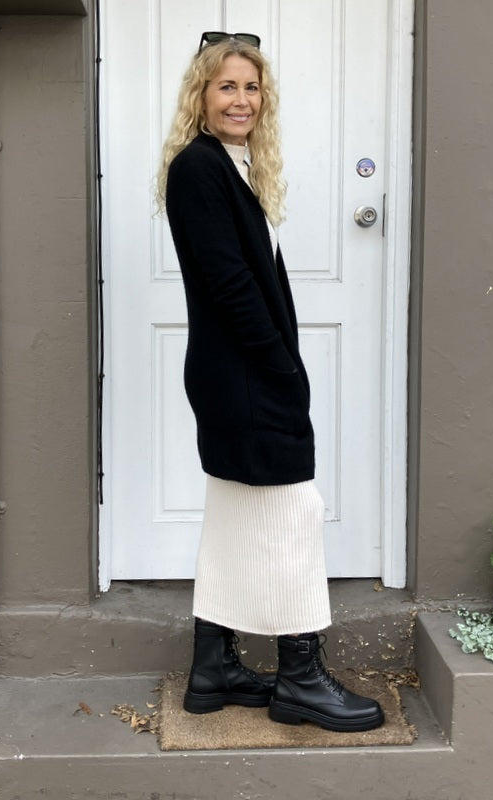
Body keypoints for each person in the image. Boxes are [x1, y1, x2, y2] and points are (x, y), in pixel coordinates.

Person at [157, 32, 384, 732]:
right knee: (295, 515)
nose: (242, 99)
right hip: (245, 374)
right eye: (226, 86)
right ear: (200, 94)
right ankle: (300, 679)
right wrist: (282, 365)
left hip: (235, 372)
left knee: (236, 513)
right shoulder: (199, 169)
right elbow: (230, 285)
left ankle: (213, 667)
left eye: (251, 87)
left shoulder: (230, 165)